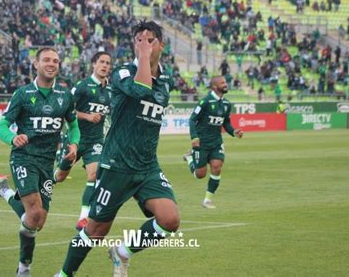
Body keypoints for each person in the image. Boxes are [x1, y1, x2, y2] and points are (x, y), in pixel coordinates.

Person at [55, 20, 180, 277]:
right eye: (139, 40)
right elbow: (141, 87)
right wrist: (144, 55)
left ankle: (122, 252)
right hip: (116, 165)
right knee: (95, 231)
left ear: (162, 45)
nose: (144, 44)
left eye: (150, 40)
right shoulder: (122, 73)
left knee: (170, 220)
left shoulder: (167, 81)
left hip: (147, 167)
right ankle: (65, 274)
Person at [0, 47, 80, 277]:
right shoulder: (23, 94)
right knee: (34, 213)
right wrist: (13, 138)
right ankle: (24, 269)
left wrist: (74, 145)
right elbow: (2, 126)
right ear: (36, 65)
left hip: (47, 163)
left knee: (38, 220)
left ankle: (4, 192)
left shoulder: (65, 96)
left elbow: (74, 126)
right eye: (46, 59)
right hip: (24, 157)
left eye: (55, 61)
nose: (52, 63)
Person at [56, 51, 112, 231]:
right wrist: (87, 116)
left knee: (94, 175)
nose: (105, 66)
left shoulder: (110, 90)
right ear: (94, 65)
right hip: (75, 139)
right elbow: (66, 111)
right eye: (101, 62)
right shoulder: (82, 87)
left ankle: (83, 218)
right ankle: (31, 190)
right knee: (59, 177)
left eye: (108, 63)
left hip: (95, 140)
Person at [183, 76, 243, 209]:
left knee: (217, 167)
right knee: (200, 174)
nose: (226, 84)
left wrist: (234, 132)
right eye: (222, 83)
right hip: (202, 143)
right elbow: (192, 120)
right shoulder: (205, 102)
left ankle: (207, 200)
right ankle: (189, 158)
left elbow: (226, 122)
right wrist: (194, 137)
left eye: (225, 82)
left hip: (216, 142)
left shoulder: (227, 104)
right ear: (215, 87)